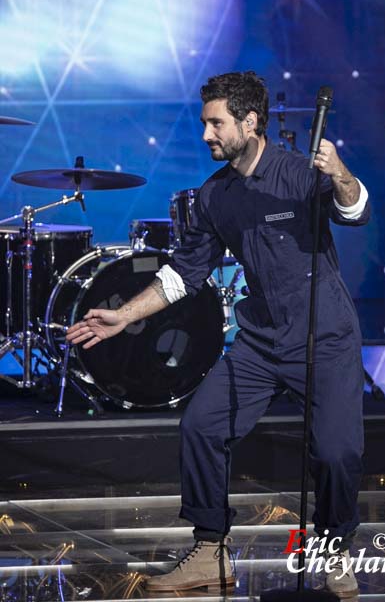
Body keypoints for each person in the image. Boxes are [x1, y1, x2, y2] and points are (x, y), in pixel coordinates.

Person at [66, 71, 369, 598]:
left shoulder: (298, 174)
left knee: (337, 453)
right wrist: (125, 315)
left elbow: (355, 209)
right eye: (205, 122)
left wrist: (341, 173)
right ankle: (211, 551)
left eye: (216, 123)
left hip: (325, 339)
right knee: (201, 426)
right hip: (259, 343)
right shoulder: (214, 195)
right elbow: (184, 273)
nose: (206, 133)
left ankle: (332, 552)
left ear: (250, 122)